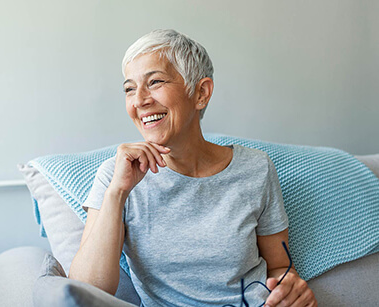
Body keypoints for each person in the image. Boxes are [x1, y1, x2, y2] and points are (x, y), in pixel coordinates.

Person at [69, 29, 317, 307]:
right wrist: (117, 193)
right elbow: (86, 291)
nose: (139, 100)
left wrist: (293, 294)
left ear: (201, 93)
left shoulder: (256, 169)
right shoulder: (115, 176)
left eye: (155, 82)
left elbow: (280, 267)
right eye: (129, 88)